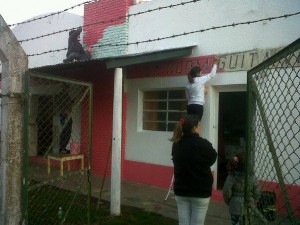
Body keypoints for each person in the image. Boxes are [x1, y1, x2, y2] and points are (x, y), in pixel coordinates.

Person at [171, 115, 217, 225]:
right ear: (194, 128)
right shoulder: (204, 144)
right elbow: (212, 159)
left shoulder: (176, 144)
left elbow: (176, 161)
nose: (200, 127)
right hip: (200, 191)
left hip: (181, 190)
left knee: (183, 222)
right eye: (199, 125)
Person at [223, 153, 261, 225]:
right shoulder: (252, 176)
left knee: (236, 222)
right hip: (249, 204)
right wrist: (255, 200)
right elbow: (257, 191)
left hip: (235, 205)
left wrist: (229, 201)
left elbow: (226, 191)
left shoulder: (231, 176)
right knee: (248, 222)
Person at [185, 56, 219, 120]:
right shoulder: (199, 80)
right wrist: (215, 63)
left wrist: (203, 91)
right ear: (197, 74)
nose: (202, 74)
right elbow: (212, 74)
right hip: (198, 106)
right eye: (201, 72)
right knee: (196, 125)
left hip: (190, 106)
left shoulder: (188, 83)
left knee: (190, 124)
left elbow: (188, 97)